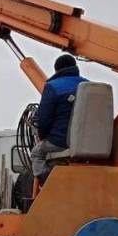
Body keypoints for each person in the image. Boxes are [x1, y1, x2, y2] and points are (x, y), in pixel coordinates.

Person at [31, 54, 88, 183]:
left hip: (61, 142)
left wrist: (44, 138)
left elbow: (44, 120)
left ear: (56, 70)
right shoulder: (88, 85)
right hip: (89, 142)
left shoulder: (52, 87)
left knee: (36, 153)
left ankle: (50, 184)